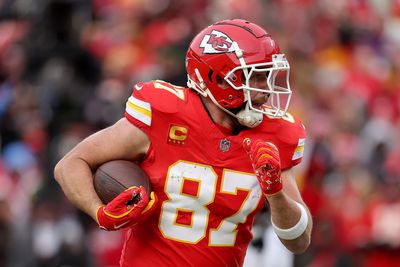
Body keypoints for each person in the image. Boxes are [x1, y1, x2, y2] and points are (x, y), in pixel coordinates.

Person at [54, 19, 312, 266]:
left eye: (266, 76)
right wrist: (99, 212)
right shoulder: (165, 115)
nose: (264, 89)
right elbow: (70, 164)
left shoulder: (276, 134)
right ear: (218, 79)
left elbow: (299, 242)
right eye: (254, 77)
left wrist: (275, 192)